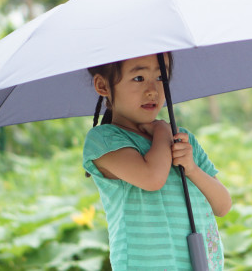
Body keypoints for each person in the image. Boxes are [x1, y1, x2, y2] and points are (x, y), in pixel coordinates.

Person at [82, 52, 232, 270]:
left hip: (199, 262)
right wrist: (162, 131)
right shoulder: (105, 140)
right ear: (103, 85)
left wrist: (192, 169)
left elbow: (223, 205)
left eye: (161, 77)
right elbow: (152, 178)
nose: (153, 90)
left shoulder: (183, 140)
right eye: (139, 78)